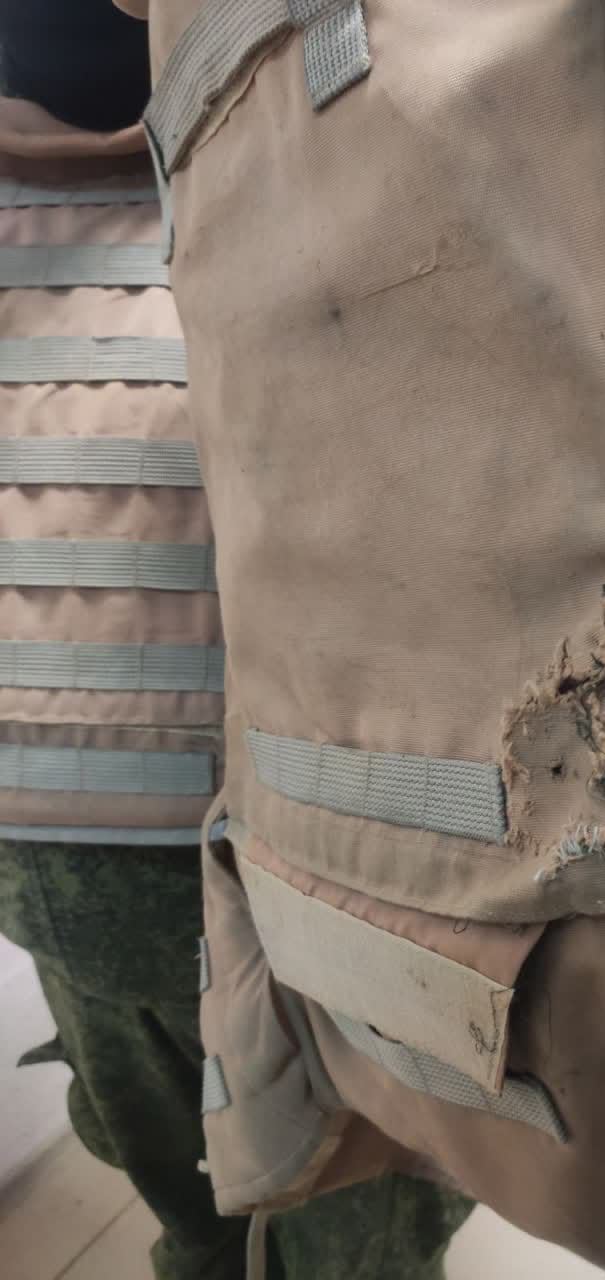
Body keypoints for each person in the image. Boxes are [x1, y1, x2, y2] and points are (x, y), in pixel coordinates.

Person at [0, 3, 472, 1277]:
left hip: (307, 893)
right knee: (206, 1220)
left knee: (344, 1237)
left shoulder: (327, 143)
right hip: (82, 905)